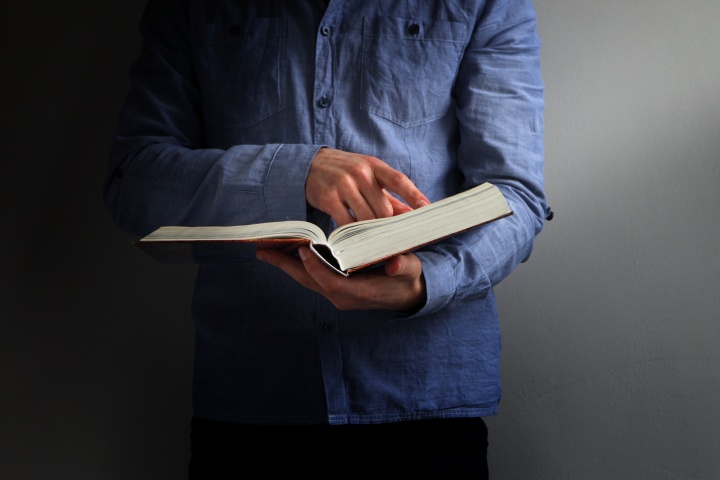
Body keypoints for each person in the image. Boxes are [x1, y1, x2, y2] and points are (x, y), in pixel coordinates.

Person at [104, 0, 550, 477]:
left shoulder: (487, 4)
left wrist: (428, 282)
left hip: (427, 402)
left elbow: (515, 195)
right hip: (251, 402)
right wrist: (295, 173)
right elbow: (135, 183)